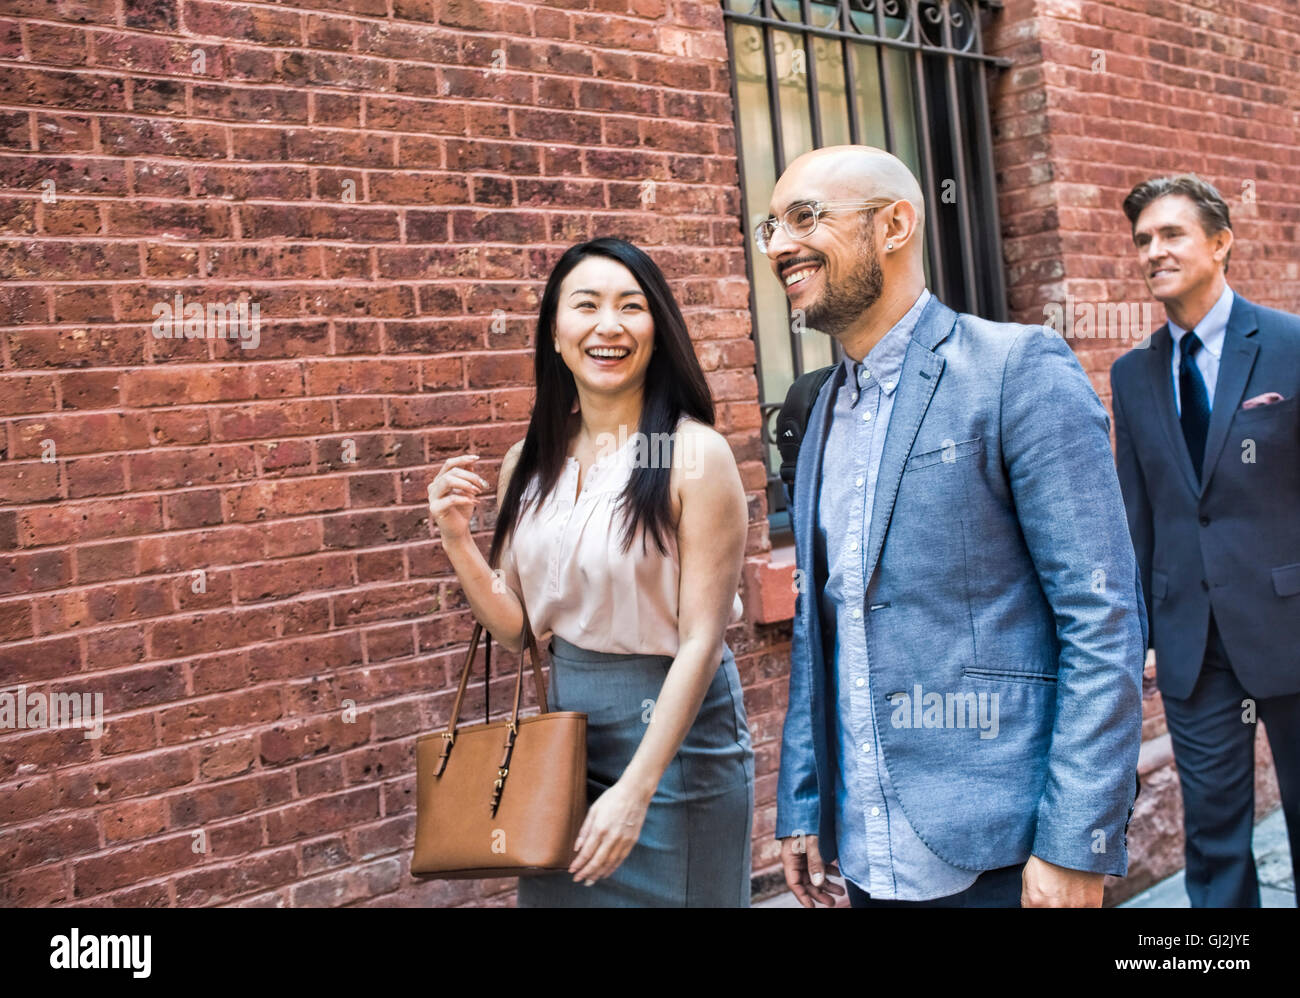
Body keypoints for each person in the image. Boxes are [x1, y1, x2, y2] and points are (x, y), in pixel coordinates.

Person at [768, 146, 1146, 908]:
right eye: (769, 225)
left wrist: (1078, 837)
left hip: (1004, 849)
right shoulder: (815, 413)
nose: (779, 245)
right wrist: (804, 800)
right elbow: (824, 620)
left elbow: (1102, 616)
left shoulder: (1017, 368)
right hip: (869, 852)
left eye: (805, 217)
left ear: (895, 225)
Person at [427, 237, 754, 907]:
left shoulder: (694, 455)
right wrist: (457, 540)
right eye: (587, 306)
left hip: (675, 746)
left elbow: (701, 639)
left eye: (631, 307)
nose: (609, 325)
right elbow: (519, 631)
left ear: (657, 330)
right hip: (564, 744)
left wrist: (637, 790)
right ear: (555, 332)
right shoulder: (529, 460)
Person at [1109, 174, 1300, 907]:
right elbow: (1141, 513)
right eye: (1143, 241)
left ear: (1220, 243)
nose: (1153, 251)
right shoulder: (1133, 375)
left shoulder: (1288, 346)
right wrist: (1145, 635)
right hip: (1193, 645)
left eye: (1171, 234)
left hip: (1289, 622)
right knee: (1213, 840)